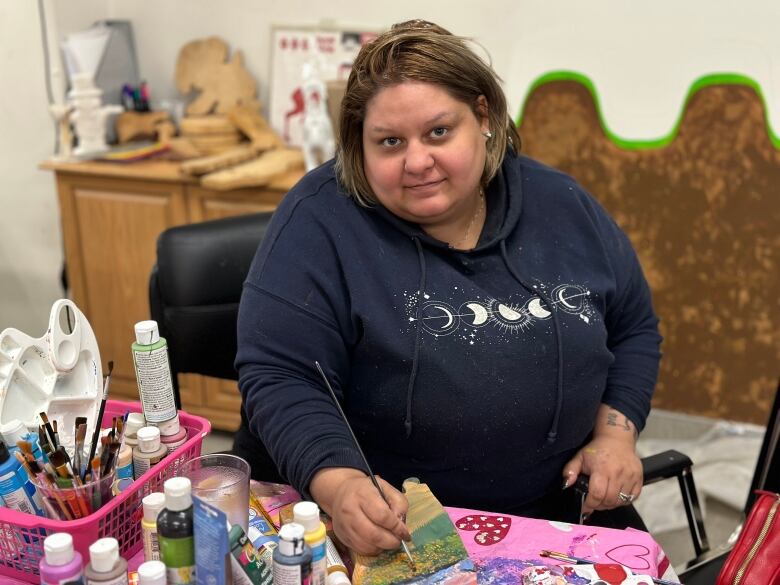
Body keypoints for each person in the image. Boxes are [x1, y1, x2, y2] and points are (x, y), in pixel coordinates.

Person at [234, 19, 662, 555]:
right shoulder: (318, 222)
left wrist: (617, 435)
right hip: (390, 532)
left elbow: (634, 327)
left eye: (438, 132)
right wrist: (338, 482)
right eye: (390, 142)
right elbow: (281, 373)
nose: (417, 162)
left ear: (483, 117)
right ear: (358, 147)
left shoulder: (562, 206)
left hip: (550, 518)